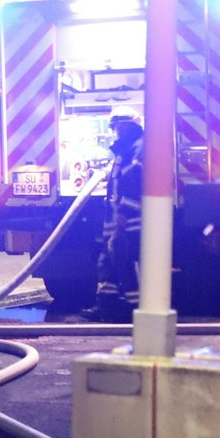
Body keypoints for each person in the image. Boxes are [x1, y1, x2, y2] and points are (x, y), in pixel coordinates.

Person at [84, 107, 144, 322]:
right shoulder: (126, 149)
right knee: (106, 261)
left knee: (126, 261)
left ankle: (136, 308)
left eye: (119, 126)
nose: (116, 130)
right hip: (116, 216)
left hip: (130, 220)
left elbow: (136, 184)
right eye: (115, 126)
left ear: (130, 125)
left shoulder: (137, 149)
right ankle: (106, 306)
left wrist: (125, 213)